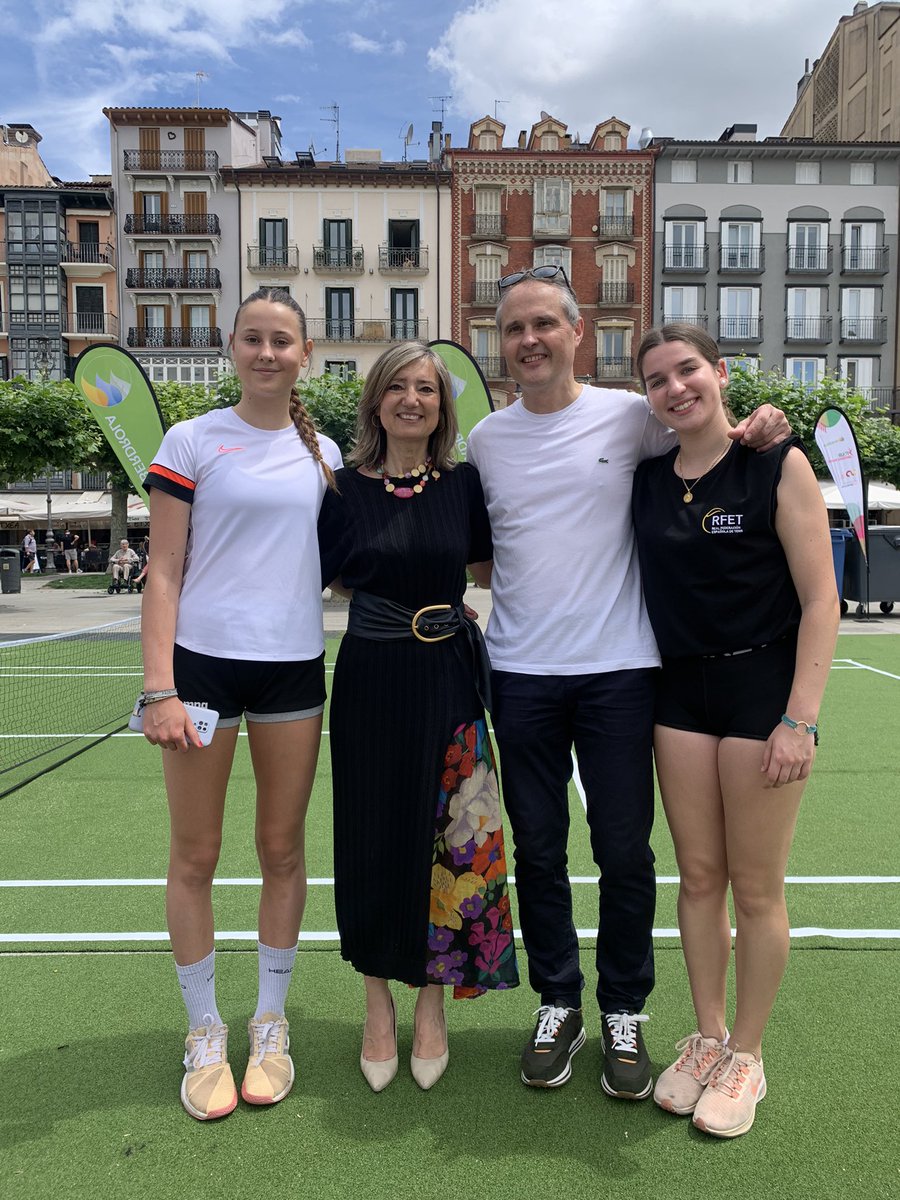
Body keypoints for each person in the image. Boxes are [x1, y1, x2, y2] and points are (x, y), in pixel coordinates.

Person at [465, 266, 789, 1101]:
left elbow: (706, 437)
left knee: (624, 852)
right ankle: (559, 1001)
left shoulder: (632, 415)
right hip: (521, 675)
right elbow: (480, 549)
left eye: (545, 324)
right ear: (500, 344)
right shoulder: (486, 440)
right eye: (513, 329)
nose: (529, 340)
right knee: (535, 849)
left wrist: (760, 422)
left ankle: (623, 1012)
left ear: (578, 332)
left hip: (620, 674)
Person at [632, 324, 839, 1138]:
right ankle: (709, 1035)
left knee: (756, 889)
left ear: (720, 373)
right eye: (657, 380)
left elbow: (822, 600)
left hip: (763, 693)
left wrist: (801, 719)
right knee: (698, 878)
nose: (675, 388)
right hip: (678, 690)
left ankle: (747, 1054)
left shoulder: (775, 463)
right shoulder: (647, 478)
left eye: (688, 370)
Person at [141, 286, 342, 1121]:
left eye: (282, 341)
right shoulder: (192, 438)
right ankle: (203, 1030)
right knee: (196, 854)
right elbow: (163, 570)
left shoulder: (325, 452)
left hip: (295, 672)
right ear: (232, 348)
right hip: (203, 675)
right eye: (253, 339)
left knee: (282, 852)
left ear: (305, 355)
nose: (267, 353)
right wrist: (159, 687)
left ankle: (269, 1022)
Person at [318, 340, 518, 1094]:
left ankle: (432, 999)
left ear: (442, 406)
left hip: (449, 679)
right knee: (370, 834)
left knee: (452, 838)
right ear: (375, 401)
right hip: (370, 679)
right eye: (397, 387)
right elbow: (326, 574)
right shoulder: (339, 488)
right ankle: (376, 997)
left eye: (426, 389)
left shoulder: (464, 484)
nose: (411, 399)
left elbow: (492, 569)